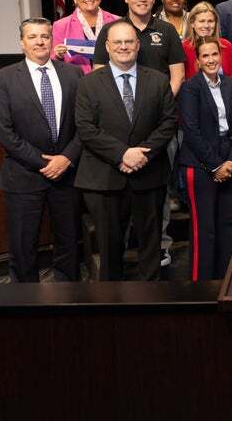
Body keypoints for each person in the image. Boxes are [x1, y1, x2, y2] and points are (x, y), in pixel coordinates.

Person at [91, 0, 185, 267]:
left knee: (159, 191)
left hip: (159, 126)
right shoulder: (112, 31)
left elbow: (177, 75)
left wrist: (155, 109)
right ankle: (123, 249)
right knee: (120, 195)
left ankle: (160, 246)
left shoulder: (166, 30)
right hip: (117, 132)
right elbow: (98, 77)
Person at [75, 21, 177, 281]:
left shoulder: (158, 80)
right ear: (107, 47)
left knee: (151, 246)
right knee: (110, 250)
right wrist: (123, 154)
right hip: (105, 178)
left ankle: (151, 303)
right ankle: (113, 308)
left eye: (129, 41)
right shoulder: (88, 83)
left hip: (149, 174)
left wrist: (142, 155)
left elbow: (168, 123)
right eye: (117, 42)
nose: (124, 47)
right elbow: (86, 129)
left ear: (138, 45)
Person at [0, 18, 83, 282]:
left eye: (44, 36)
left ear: (52, 40)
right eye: (32, 37)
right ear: (22, 43)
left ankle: (69, 301)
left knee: (68, 244)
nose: (40, 41)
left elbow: (84, 125)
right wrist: (45, 163)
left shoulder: (72, 74)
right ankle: (25, 308)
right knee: (23, 248)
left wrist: (66, 158)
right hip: (23, 176)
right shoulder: (4, 79)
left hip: (67, 175)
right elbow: (4, 132)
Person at [177, 37, 232, 280]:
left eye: (214, 54)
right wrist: (216, 165)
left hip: (229, 162)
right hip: (200, 165)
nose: (211, 60)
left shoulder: (231, 84)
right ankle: (201, 285)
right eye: (205, 56)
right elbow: (191, 131)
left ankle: (226, 281)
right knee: (204, 229)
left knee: (228, 225)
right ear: (197, 61)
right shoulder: (190, 87)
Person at [91, 0, 185, 96]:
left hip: (160, 106)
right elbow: (99, 73)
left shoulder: (168, 30)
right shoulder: (109, 30)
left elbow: (178, 75)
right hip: (119, 105)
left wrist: (163, 103)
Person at [51, 0, 120, 74]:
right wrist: (57, 56)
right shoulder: (60, 25)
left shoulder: (117, 21)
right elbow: (52, 60)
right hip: (78, 82)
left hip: (112, 79)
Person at [182, 1, 232, 79]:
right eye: (202, 21)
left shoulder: (226, 45)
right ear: (192, 23)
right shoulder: (184, 48)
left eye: (210, 21)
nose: (206, 25)